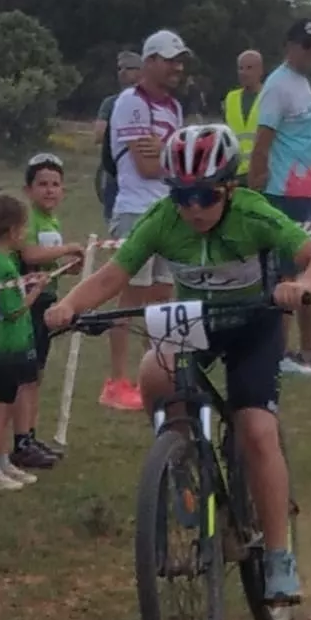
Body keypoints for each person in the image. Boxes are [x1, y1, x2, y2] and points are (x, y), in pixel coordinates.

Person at [45, 123, 311, 603]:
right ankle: (181, 464)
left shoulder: (253, 214)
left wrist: (302, 286)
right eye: (182, 195)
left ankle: (279, 556)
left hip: (253, 323)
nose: (193, 208)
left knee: (257, 430)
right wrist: (69, 306)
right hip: (194, 319)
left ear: (227, 187)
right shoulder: (163, 219)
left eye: (204, 195)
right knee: (151, 373)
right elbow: (112, 275)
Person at [101, 30, 189, 409]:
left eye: (180, 60)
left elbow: (173, 162)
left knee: (162, 297)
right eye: (170, 60)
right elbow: (146, 165)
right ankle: (117, 381)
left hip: (169, 208)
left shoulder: (174, 107)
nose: (177, 67)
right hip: (136, 209)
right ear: (150, 61)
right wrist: (174, 155)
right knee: (130, 297)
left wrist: (168, 150)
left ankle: (155, 375)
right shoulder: (131, 103)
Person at [249, 17, 311, 377]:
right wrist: (257, 189)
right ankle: (279, 352)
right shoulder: (278, 85)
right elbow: (263, 141)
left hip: (307, 192)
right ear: (290, 46)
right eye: (308, 44)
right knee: (285, 275)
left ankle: (308, 346)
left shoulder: (303, 83)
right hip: (283, 193)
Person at [0, 193, 48, 492]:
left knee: (10, 403)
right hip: (4, 348)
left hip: (13, 345)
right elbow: (13, 310)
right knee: (1, 410)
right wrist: (35, 291)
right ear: (13, 230)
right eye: (24, 227)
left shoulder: (0, 260)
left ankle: (2, 461)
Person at [12, 153, 84, 465]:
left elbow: (46, 260)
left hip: (46, 298)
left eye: (55, 184)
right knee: (26, 374)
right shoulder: (28, 219)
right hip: (27, 302)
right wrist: (67, 248)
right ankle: (21, 441)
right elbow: (29, 252)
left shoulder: (51, 220)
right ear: (28, 190)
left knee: (36, 372)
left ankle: (30, 433)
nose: (50, 190)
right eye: (42, 184)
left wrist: (66, 267)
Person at [94, 51, 142, 221]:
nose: (122, 72)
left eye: (128, 68)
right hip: (116, 169)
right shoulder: (110, 102)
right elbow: (98, 135)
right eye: (120, 68)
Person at [223, 50, 264, 179]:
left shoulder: (269, 97)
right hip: (235, 172)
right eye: (240, 68)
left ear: (260, 70)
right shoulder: (231, 98)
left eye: (249, 68)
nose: (244, 73)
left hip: (260, 171)